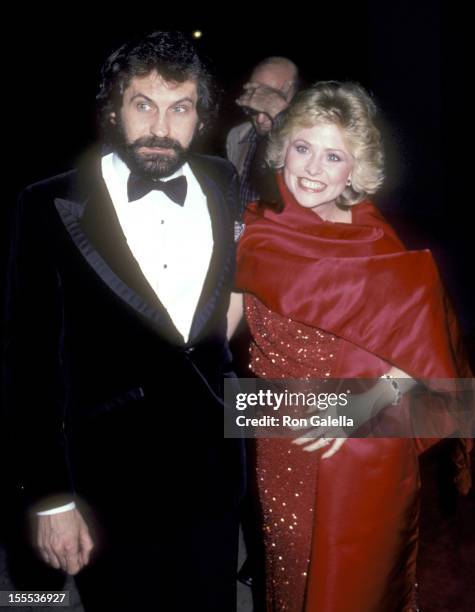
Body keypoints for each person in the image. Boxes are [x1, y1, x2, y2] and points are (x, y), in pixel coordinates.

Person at [4, 31, 244, 612]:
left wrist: (382, 392)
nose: (162, 127)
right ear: (114, 110)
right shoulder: (47, 204)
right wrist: (51, 499)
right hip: (108, 479)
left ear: (200, 116)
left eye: (180, 108)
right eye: (144, 105)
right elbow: (28, 360)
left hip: (213, 471)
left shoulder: (227, 185)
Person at [227, 81, 473, 611]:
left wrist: (358, 408)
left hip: (365, 433)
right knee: (288, 571)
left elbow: (422, 352)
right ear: (282, 148)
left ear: (354, 170)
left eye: (333, 155)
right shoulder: (255, 230)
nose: (313, 168)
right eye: (303, 147)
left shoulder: (379, 246)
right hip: (277, 430)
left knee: (357, 582)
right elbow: (214, 332)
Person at [226, 57, 299, 214]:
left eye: (269, 103)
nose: (259, 119)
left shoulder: (314, 141)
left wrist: (281, 112)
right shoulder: (238, 137)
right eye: (254, 106)